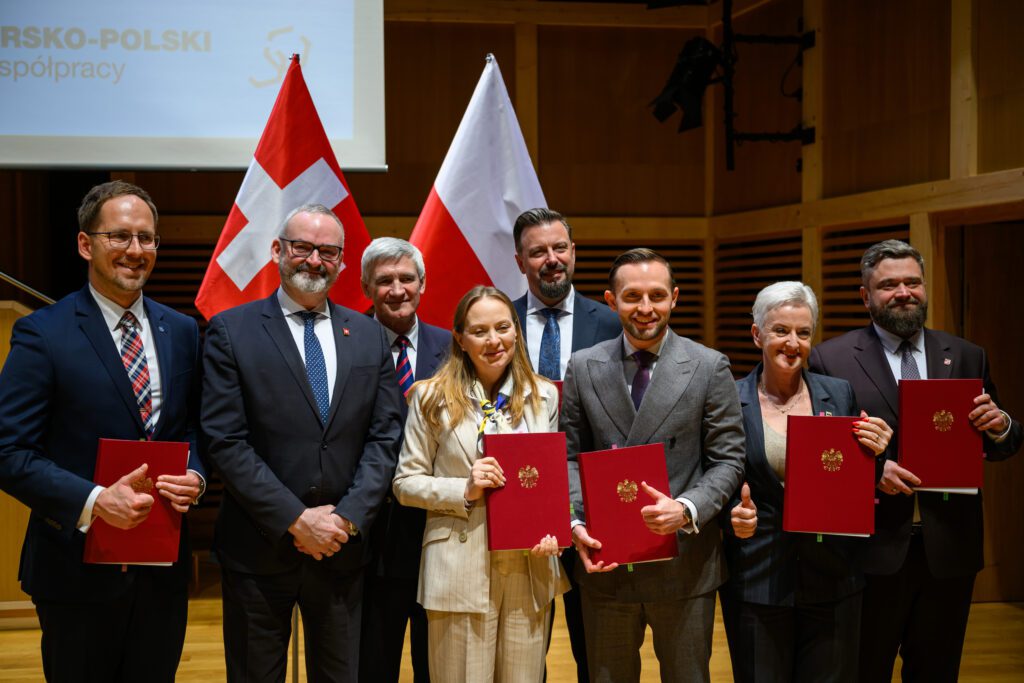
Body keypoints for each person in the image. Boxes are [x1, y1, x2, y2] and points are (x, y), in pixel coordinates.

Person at [0, 180, 205, 682]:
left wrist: (196, 475)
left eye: (147, 238)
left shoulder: (181, 330)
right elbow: (8, 451)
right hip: (75, 570)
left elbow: (196, 429)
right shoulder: (42, 333)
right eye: (120, 236)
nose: (136, 251)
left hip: (162, 572)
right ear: (85, 244)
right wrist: (93, 501)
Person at [201, 204, 403, 683]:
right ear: (277, 251)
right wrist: (295, 519)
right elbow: (225, 441)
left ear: (341, 261)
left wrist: (347, 518)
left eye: (328, 251)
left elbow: (385, 437)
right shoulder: (232, 331)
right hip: (258, 548)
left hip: (341, 550)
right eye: (303, 247)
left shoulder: (371, 336)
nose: (314, 260)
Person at [809, 239, 1022, 682]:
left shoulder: (966, 354)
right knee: (865, 669)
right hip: (872, 550)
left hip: (949, 550)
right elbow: (818, 454)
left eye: (913, 282)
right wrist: (872, 471)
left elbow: (1002, 444)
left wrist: (1000, 423)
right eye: (889, 285)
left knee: (936, 672)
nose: (903, 292)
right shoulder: (830, 358)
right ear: (866, 295)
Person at [561, 248, 745, 683]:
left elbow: (728, 458)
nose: (645, 309)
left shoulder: (708, 365)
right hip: (606, 567)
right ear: (611, 300)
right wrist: (575, 521)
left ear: (675, 298)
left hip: (683, 565)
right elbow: (567, 455)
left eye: (657, 295)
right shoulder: (584, 367)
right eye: (632, 296)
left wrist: (687, 508)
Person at [392, 285, 567, 683]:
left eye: (503, 327)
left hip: (530, 565)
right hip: (458, 563)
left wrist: (555, 529)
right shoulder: (430, 397)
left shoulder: (543, 396)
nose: (494, 341)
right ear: (460, 338)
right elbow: (405, 482)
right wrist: (463, 489)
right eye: (480, 331)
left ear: (516, 331)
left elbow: (551, 480)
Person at [720, 281, 893, 683]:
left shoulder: (839, 393)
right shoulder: (729, 399)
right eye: (781, 330)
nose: (793, 343)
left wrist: (879, 450)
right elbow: (716, 475)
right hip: (758, 579)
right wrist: (732, 515)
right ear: (757, 335)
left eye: (803, 332)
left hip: (833, 576)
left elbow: (853, 478)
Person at [510, 207, 620, 682]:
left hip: (592, 502)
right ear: (520, 261)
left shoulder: (612, 324)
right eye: (538, 252)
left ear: (574, 253)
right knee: (520, 649)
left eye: (559, 248)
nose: (551, 259)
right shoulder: (500, 323)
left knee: (594, 649)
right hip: (519, 498)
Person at [358, 237, 449, 683]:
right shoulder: (344, 340)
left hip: (439, 528)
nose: (397, 289)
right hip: (370, 533)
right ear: (366, 287)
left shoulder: (454, 348)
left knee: (436, 662)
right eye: (385, 281)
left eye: (406, 279)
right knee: (374, 661)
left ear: (423, 284)